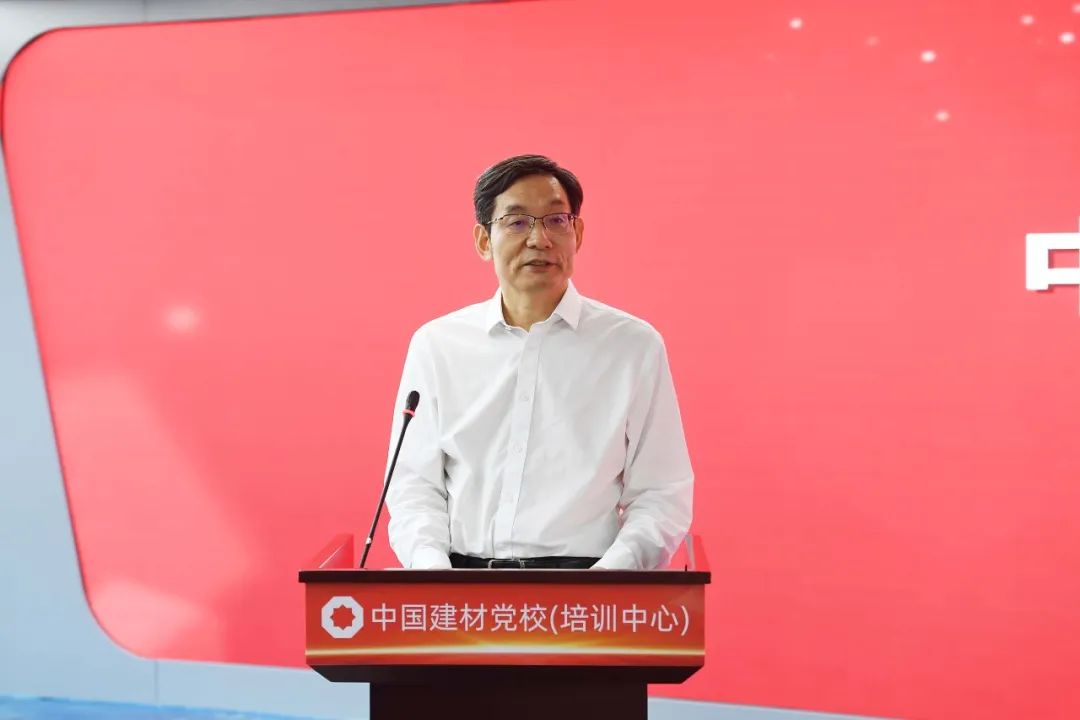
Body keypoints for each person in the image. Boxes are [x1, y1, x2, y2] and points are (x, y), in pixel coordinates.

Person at [384, 154, 693, 570]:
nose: (539, 239)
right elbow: (413, 487)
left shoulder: (632, 347)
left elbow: (662, 492)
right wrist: (435, 578)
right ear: (483, 240)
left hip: (589, 584)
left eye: (555, 221)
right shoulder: (438, 346)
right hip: (460, 582)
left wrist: (606, 585)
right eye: (516, 222)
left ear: (576, 233)